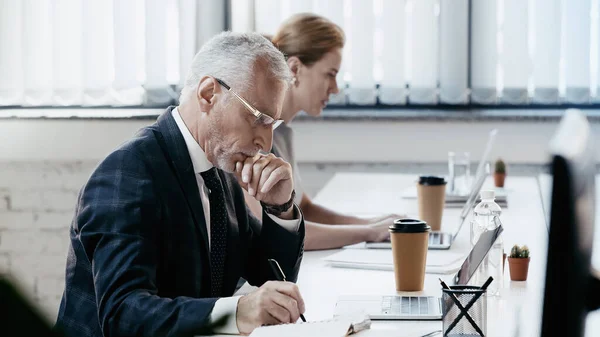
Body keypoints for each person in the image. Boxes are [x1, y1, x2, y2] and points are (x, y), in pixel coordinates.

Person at [55, 32, 306, 337]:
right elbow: (122, 314)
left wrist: (280, 207)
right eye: (258, 119)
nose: (266, 143)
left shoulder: (218, 171)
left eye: (272, 124)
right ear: (208, 94)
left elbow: (271, 278)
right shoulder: (128, 173)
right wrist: (239, 310)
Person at [245, 13, 405, 251]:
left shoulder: (283, 133)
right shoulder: (254, 135)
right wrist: (369, 232)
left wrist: (373, 223)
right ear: (295, 68)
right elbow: (277, 229)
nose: (336, 88)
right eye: (330, 74)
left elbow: (303, 209)